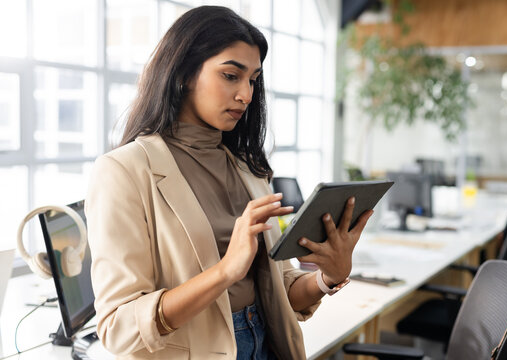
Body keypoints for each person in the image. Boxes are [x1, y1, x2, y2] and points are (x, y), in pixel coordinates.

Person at [85, 6, 373, 360]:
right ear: (184, 73)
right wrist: (224, 272)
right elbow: (118, 328)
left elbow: (281, 293)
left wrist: (328, 278)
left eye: (252, 79)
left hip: (267, 342)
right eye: (231, 75)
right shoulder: (124, 171)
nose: (247, 95)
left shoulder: (248, 169)